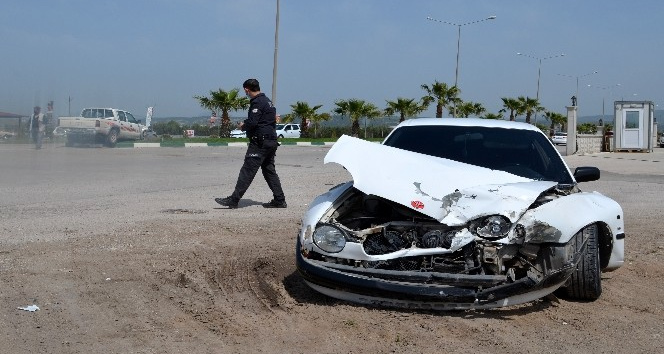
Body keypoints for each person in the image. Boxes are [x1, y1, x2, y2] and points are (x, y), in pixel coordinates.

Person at [215, 79, 287, 209]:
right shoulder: (268, 101)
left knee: (247, 170)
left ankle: (234, 199)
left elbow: (253, 123)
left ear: (247, 89)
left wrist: (243, 126)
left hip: (260, 142)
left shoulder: (258, 102)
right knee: (269, 171)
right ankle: (279, 200)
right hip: (271, 141)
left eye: (245, 90)